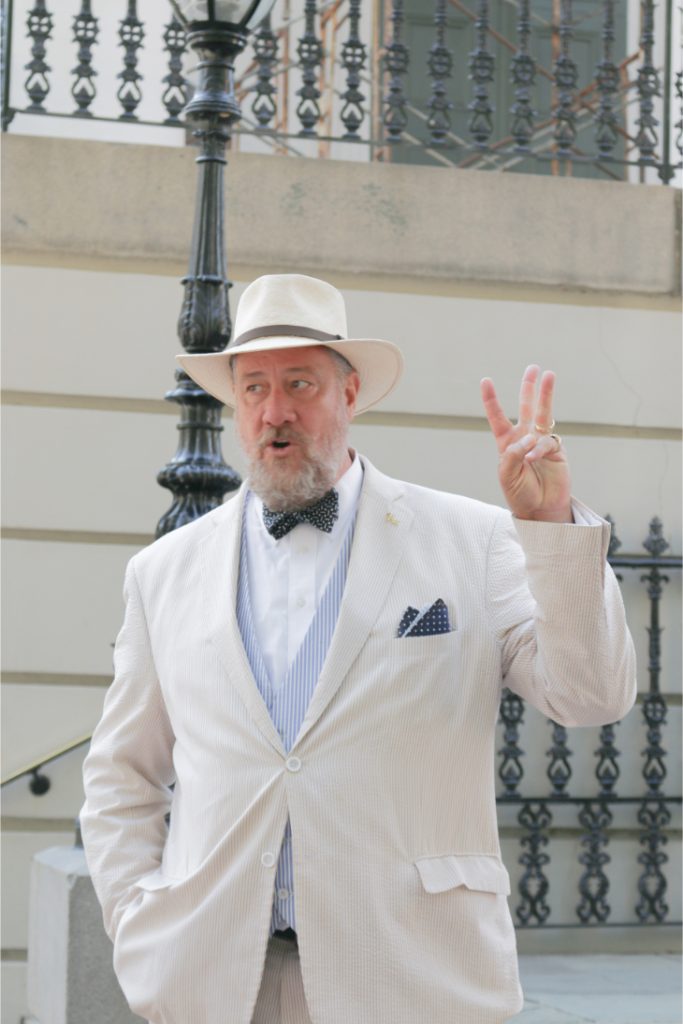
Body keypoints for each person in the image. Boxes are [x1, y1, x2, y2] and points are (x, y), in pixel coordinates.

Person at [81, 274, 636, 1024]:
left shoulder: (470, 542)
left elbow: (592, 694)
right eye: (253, 389)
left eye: (300, 383)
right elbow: (122, 777)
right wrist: (137, 919)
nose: (275, 411)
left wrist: (552, 530)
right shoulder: (163, 573)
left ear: (349, 395)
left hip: (410, 978)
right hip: (211, 983)